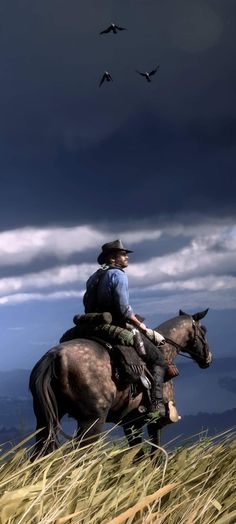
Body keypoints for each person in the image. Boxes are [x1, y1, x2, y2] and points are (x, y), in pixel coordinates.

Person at [83, 239, 168, 418]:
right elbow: (123, 308)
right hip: (115, 323)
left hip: (93, 324)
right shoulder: (119, 275)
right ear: (113, 258)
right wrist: (141, 325)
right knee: (159, 360)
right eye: (123, 254)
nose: (126, 257)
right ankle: (156, 404)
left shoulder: (94, 277)